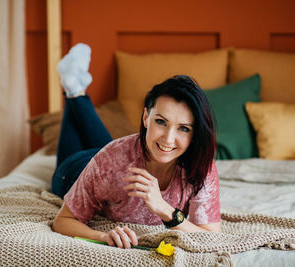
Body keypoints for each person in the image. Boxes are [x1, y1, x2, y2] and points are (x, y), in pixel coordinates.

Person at [51, 43, 221, 249]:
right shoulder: (109, 161)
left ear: (195, 133)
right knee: (108, 154)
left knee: (110, 151)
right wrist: (103, 237)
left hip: (110, 159)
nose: (168, 139)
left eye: (183, 128)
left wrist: (165, 210)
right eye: (161, 122)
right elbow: (63, 220)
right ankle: (73, 91)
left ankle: (74, 89)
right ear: (145, 117)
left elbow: (211, 237)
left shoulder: (202, 167)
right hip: (74, 170)